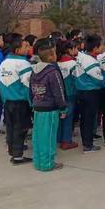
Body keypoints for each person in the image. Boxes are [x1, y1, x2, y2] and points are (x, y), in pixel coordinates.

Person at [30, 38, 67, 171]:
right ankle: (48, 164)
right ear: (52, 56)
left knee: (38, 136)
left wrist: (33, 103)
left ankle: (38, 162)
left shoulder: (34, 70)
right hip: (50, 109)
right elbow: (59, 91)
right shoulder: (53, 72)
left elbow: (31, 89)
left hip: (38, 107)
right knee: (49, 137)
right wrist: (63, 107)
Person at [0, 37, 33, 165]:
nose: (28, 48)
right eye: (25, 46)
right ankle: (18, 156)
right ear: (18, 50)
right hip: (20, 102)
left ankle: (12, 151)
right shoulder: (23, 64)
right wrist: (32, 102)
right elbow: (28, 86)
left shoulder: (4, 62)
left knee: (11, 127)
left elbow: (1, 84)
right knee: (21, 128)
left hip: (8, 101)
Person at [76, 34, 105, 153]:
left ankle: (86, 141)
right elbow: (98, 80)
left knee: (84, 119)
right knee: (89, 119)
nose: (102, 48)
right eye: (101, 46)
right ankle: (88, 145)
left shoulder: (81, 57)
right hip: (90, 93)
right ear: (95, 48)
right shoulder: (91, 61)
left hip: (81, 91)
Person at [56, 40, 79, 150]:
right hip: (70, 93)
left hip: (59, 94)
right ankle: (66, 141)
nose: (77, 50)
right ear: (69, 50)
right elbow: (77, 79)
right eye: (75, 48)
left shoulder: (57, 63)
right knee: (68, 117)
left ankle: (59, 138)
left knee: (60, 116)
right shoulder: (73, 64)